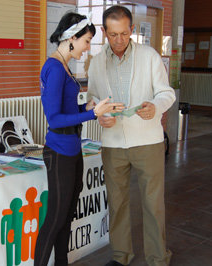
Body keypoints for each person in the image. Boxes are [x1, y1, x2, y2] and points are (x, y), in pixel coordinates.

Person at [87, 5, 176, 266]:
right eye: (113, 34)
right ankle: (120, 256)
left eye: (124, 34)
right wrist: (99, 113)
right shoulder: (97, 61)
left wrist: (156, 107)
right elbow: (93, 98)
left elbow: (166, 93)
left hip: (148, 142)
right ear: (104, 32)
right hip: (113, 143)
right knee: (117, 202)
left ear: (132, 30)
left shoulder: (149, 56)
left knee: (153, 204)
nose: (119, 41)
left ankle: (158, 258)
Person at [34, 12, 124, 266]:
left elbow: (70, 114)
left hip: (73, 150)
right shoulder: (53, 67)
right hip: (59, 151)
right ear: (71, 38)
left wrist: (91, 110)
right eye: (86, 41)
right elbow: (54, 120)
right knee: (54, 220)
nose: (87, 48)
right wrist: (92, 113)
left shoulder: (64, 66)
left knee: (66, 217)